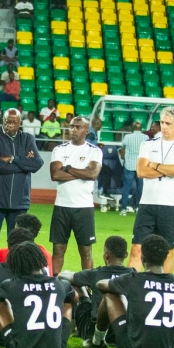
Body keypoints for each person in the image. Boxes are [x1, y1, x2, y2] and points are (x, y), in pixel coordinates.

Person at [90, 234, 174, 348]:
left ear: (142, 258)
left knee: (110, 294)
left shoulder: (134, 279)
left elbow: (101, 285)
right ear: (165, 258)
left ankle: (97, 341)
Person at [130, 107, 174, 273]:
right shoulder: (147, 144)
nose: (164, 127)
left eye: (168, 123)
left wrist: (155, 164)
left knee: (168, 253)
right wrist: (168, 169)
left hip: (170, 206)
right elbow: (141, 171)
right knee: (137, 249)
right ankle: (129, 291)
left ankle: (166, 289)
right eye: (162, 123)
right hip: (147, 204)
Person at [0, 243, 75, 348]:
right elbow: (75, 297)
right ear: (40, 259)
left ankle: (11, 339)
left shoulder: (11, 284)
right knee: (68, 303)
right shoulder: (60, 284)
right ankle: (58, 343)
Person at [0, 108, 42, 258]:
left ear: (20, 123)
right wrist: (22, 166)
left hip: (19, 202)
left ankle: (15, 276)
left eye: (15, 122)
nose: (11, 124)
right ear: (3, 121)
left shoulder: (28, 139)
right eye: (8, 121)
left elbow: (37, 163)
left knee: (18, 245)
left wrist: (13, 159)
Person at [49, 116, 104, 273]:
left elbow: (93, 174)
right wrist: (82, 172)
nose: (73, 129)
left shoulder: (94, 151)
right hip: (62, 206)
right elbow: (55, 175)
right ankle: (54, 284)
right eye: (72, 126)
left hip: (84, 208)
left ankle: (87, 287)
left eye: (78, 127)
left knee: (86, 251)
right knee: (58, 250)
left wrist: (67, 168)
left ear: (86, 130)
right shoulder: (59, 149)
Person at [63, 235, 134, 345]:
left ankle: (73, 326)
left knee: (75, 285)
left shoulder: (96, 273)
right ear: (125, 255)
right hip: (121, 328)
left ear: (106, 255)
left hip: (95, 327)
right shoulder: (133, 275)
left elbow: (63, 276)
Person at [118, 121, 148, 214]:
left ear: (132, 128)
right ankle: (138, 207)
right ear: (141, 129)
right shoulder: (145, 137)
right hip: (141, 166)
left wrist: (124, 158)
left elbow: (122, 148)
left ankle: (123, 208)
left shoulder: (127, 137)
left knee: (126, 187)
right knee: (140, 188)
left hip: (129, 165)